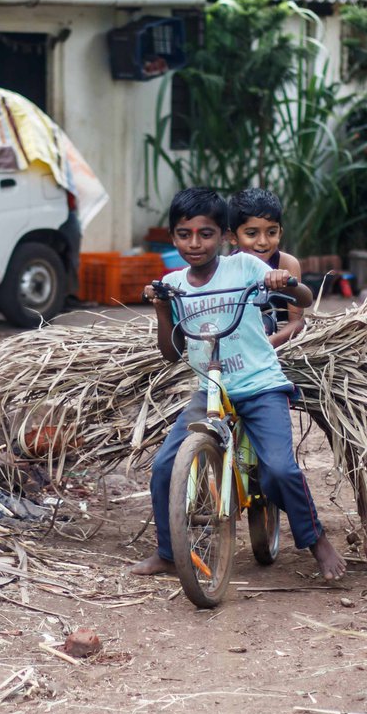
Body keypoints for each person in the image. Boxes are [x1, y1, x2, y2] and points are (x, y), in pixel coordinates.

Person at [132, 187, 348, 582]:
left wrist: (284, 282)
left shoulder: (245, 267)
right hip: (211, 388)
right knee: (164, 466)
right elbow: (171, 352)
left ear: (223, 235)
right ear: (173, 236)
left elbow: (304, 296)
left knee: (279, 471)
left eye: (206, 234)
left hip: (260, 385)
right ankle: (168, 551)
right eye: (184, 234)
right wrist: (163, 308)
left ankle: (316, 540)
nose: (194, 244)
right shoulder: (173, 282)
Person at [229, 187, 306, 348]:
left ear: (280, 233)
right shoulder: (227, 268)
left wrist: (268, 344)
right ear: (233, 237)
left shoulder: (287, 264)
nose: (263, 241)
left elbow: (297, 322)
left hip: (279, 345)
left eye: (271, 232)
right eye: (251, 233)